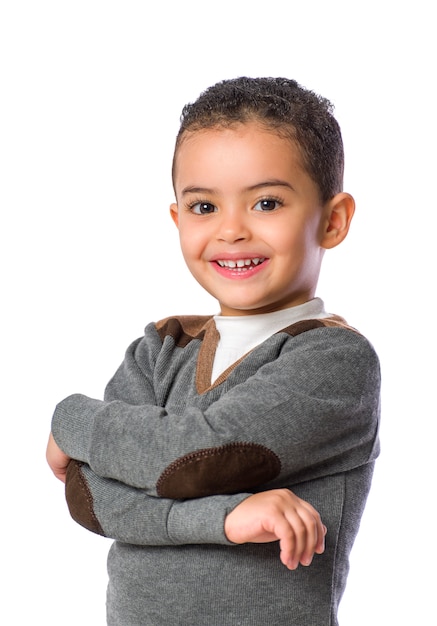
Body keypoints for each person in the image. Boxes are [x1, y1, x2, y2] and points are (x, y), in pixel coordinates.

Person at [46, 76, 381, 625]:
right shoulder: (160, 349)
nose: (231, 231)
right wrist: (228, 519)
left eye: (266, 202)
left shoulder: (334, 362)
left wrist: (71, 418)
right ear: (178, 219)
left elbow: (198, 458)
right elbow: (90, 496)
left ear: (333, 219)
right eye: (204, 207)